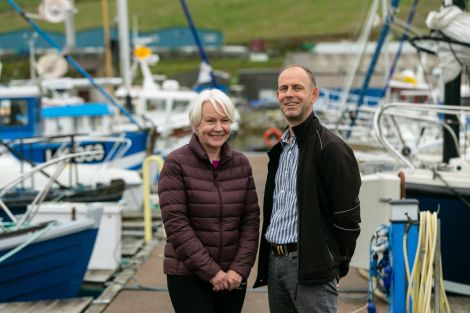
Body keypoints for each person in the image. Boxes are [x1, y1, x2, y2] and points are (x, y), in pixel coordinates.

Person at [253, 65, 361, 313]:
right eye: (283, 88)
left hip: (311, 265)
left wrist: (334, 264)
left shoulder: (331, 148)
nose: (289, 94)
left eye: (297, 88)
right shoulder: (281, 148)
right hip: (275, 262)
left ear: (313, 95)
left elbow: (348, 218)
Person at [158, 88, 260, 313]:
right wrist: (212, 272)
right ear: (196, 125)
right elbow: (176, 224)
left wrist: (240, 269)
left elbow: (251, 222)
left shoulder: (241, 164)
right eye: (210, 121)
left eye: (225, 120)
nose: (218, 128)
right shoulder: (176, 163)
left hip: (233, 278)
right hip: (187, 276)